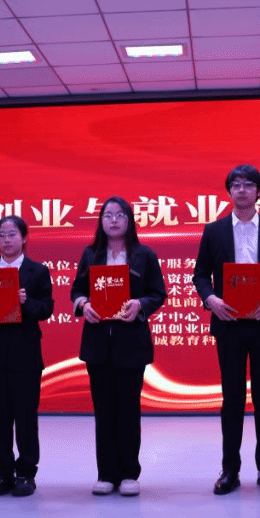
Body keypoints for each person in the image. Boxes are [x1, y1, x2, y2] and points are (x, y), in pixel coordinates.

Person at [193, 164, 260, 495]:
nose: (241, 190)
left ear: (259, 191)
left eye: (248, 184)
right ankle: (229, 470)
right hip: (229, 324)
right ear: (229, 192)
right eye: (235, 184)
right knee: (232, 398)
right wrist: (211, 299)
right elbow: (200, 275)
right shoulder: (215, 230)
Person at [71, 197, 167, 497]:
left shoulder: (144, 255)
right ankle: (106, 474)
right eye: (108, 215)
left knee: (128, 408)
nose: (113, 220)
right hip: (98, 343)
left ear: (129, 220)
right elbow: (77, 290)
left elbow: (158, 293)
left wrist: (141, 304)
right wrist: (83, 305)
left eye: (120, 215)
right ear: (101, 221)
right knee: (103, 409)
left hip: (131, 342)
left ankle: (128, 473)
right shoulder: (91, 254)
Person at [0, 216, 54, 497]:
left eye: (12, 234)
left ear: (24, 238)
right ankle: (2, 472)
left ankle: (26, 473)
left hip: (25, 353)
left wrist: (26, 302)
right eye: (1, 235)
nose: (6, 240)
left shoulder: (37, 271)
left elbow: (46, 309)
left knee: (26, 416)